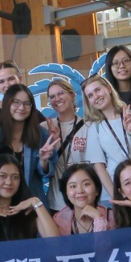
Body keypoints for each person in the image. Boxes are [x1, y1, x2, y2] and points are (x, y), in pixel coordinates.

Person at [75, 74, 131, 200]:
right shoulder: (95, 127)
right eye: (90, 95)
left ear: (108, 88)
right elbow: (99, 167)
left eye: (97, 90)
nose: (96, 96)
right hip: (114, 188)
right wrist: (116, 198)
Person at [0, 82, 55, 200]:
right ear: (7, 104)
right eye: (16, 102)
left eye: (27, 103)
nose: (21, 108)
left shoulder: (41, 134)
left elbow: (47, 173)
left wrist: (43, 161)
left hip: (32, 201)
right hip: (2, 202)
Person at [0, 152, 58, 242]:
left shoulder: (28, 214)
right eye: (3, 176)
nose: (9, 182)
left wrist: (36, 201)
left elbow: (56, 241)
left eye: (15, 177)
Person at [41, 76, 84, 212]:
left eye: (61, 93)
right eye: (52, 96)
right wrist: (51, 145)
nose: (57, 99)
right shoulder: (44, 127)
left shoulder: (88, 126)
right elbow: (42, 171)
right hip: (56, 203)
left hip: (83, 199)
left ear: (72, 95)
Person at [55, 163, 108, 235]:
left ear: (97, 190)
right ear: (66, 193)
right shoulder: (59, 221)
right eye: (73, 186)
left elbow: (103, 242)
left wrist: (98, 218)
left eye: (86, 184)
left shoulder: (112, 218)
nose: (80, 191)